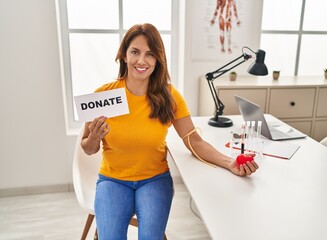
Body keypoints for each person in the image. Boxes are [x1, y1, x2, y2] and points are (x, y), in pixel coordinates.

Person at [81, 23, 258, 240]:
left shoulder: (169, 96)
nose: (141, 61)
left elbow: (193, 139)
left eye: (150, 54)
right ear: (125, 55)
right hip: (112, 180)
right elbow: (88, 148)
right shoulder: (103, 95)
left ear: (157, 60)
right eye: (135, 52)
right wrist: (95, 137)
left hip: (154, 180)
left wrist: (229, 162)